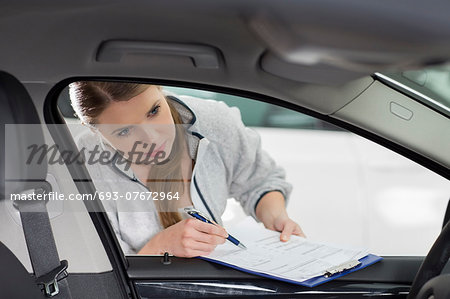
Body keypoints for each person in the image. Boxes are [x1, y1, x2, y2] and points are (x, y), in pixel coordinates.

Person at [69, 81, 305, 257]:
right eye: (124, 131)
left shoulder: (213, 121)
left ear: (160, 89)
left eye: (154, 111)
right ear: (95, 131)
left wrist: (275, 216)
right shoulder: (84, 169)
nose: (150, 139)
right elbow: (103, 280)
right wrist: (160, 247)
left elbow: (259, 179)